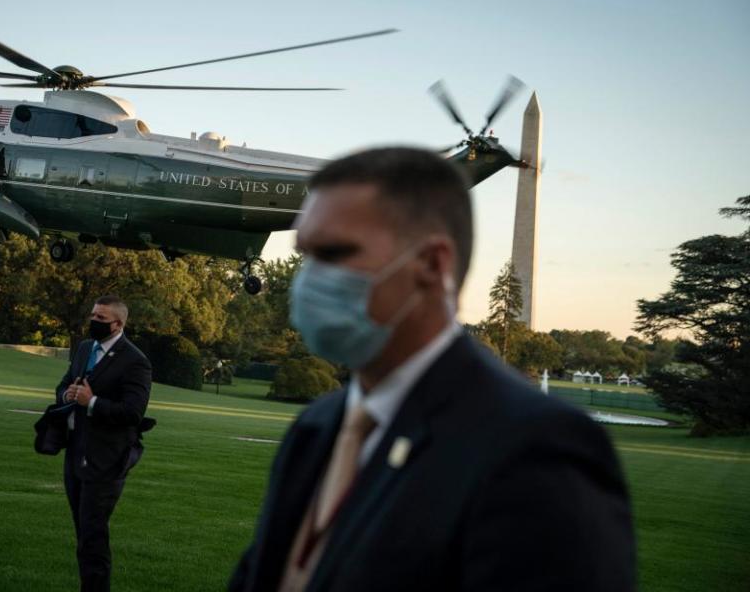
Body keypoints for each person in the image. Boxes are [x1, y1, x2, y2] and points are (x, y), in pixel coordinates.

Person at [229, 147, 635, 591]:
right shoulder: (315, 428)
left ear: (432, 263)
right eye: (306, 254)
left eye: (334, 253)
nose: (308, 279)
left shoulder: (537, 450)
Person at [55, 294, 152, 592]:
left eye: (100, 319)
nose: (93, 321)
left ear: (118, 324)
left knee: (93, 535)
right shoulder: (85, 349)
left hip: (106, 460)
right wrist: (67, 395)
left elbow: (133, 412)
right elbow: (64, 384)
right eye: (93, 315)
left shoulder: (135, 361)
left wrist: (92, 401)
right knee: (83, 531)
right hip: (75, 454)